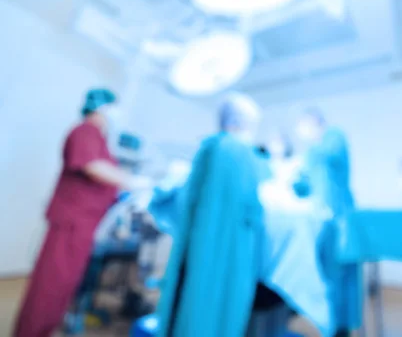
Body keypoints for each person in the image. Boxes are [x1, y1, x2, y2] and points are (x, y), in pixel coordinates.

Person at [13, 88, 150, 337]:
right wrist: (135, 182)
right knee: (49, 288)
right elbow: (92, 167)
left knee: (62, 289)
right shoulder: (84, 132)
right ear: (102, 109)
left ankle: (43, 331)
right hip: (70, 225)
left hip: (84, 227)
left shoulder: (99, 139)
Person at [154, 92, 264, 337]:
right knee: (213, 307)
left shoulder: (210, 147)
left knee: (187, 301)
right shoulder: (239, 152)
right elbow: (253, 210)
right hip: (223, 260)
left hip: (194, 256)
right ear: (241, 123)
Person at [295, 108, 362, 337]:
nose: (302, 132)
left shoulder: (333, 135)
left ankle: (340, 329)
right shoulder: (313, 153)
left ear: (315, 121)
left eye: (303, 125)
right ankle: (330, 326)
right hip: (322, 221)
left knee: (339, 276)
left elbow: (326, 156)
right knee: (326, 276)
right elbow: (305, 184)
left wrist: (303, 161)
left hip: (339, 218)